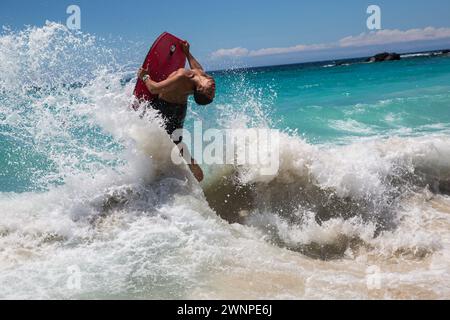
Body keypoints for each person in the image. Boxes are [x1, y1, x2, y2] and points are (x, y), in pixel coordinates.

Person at [137, 41, 215, 182]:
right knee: (175, 139)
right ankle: (184, 161)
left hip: (168, 108)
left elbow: (154, 89)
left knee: (173, 140)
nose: (213, 88)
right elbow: (198, 69)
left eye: (209, 91)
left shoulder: (182, 78)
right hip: (181, 107)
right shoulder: (201, 76)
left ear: (200, 89)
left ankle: (185, 163)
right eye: (213, 92)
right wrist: (186, 52)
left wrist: (145, 77)